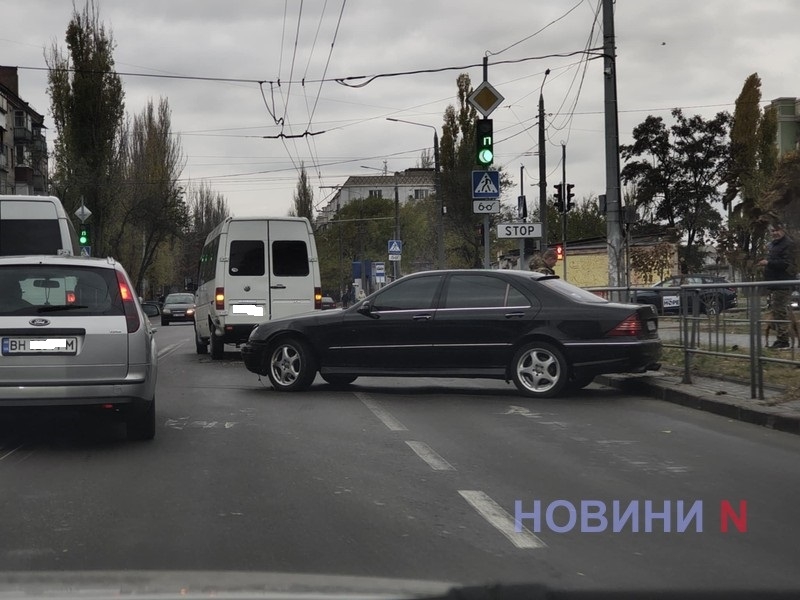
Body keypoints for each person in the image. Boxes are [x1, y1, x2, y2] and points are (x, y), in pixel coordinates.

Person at [758, 222, 797, 349]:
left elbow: (786, 263)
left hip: (783, 283)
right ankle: (783, 336)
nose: (774, 233)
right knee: (777, 312)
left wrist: (768, 263)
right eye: (772, 231)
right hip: (775, 284)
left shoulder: (788, 244)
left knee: (780, 312)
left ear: (783, 230)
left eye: (777, 230)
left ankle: (783, 340)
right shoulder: (774, 245)